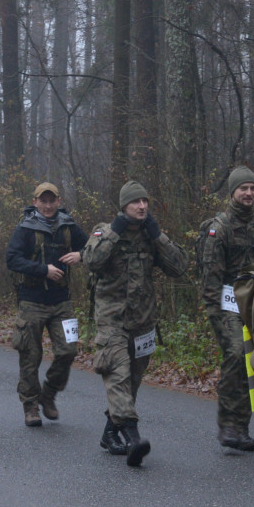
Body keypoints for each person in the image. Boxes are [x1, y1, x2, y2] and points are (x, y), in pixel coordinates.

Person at [82, 180, 188, 466]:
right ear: (123, 206)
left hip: (143, 323)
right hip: (112, 321)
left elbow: (179, 267)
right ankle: (133, 437)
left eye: (145, 202)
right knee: (118, 375)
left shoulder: (150, 235)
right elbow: (90, 259)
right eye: (135, 202)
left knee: (132, 383)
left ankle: (110, 434)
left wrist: (159, 237)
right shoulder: (105, 231)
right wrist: (114, 233)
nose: (142, 206)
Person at [200, 166, 254, 452]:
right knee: (237, 354)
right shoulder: (218, 228)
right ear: (232, 192)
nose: (248, 193)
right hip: (226, 305)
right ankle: (230, 425)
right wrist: (218, 314)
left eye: (252, 188)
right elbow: (210, 280)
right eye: (243, 188)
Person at [5, 182, 88, 427]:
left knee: (68, 350)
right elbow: (12, 259)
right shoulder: (25, 228)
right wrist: (43, 270)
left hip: (62, 301)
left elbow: (92, 245)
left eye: (52, 201)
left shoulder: (68, 226)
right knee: (30, 355)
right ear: (35, 202)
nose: (49, 205)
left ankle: (48, 393)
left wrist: (80, 255)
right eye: (44, 200)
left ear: (59, 201)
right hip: (31, 301)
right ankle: (30, 406)